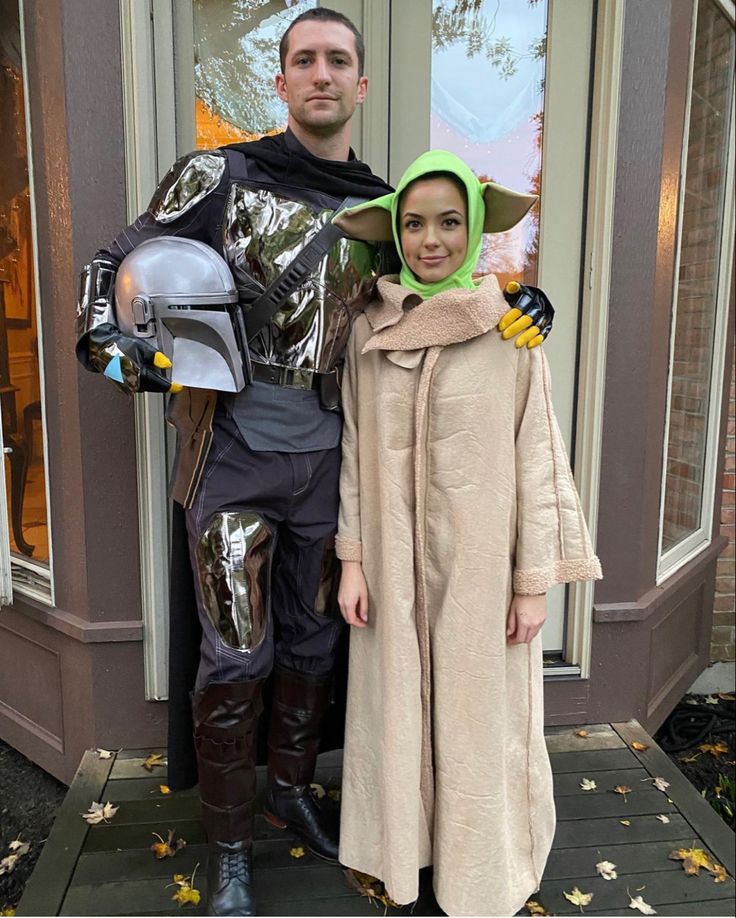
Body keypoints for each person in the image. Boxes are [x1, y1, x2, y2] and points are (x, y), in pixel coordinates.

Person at [74, 9, 554, 917]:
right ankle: (230, 850)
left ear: (361, 85)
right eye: (305, 60)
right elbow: (120, 258)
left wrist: (524, 299)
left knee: (314, 643)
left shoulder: (381, 208)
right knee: (235, 657)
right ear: (283, 81)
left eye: (339, 60)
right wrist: (111, 343)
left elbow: (436, 287)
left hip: (336, 468)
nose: (322, 74)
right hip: (236, 460)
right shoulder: (220, 173)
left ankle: (292, 793)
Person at [334, 150, 602, 917]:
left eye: (449, 222)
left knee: (478, 721)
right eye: (414, 223)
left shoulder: (510, 330)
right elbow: (356, 451)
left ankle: (481, 872)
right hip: (390, 566)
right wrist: (353, 560)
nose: (431, 239)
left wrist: (531, 581)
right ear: (394, 233)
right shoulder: (367, 332)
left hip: (481, 570)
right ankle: (405, 857)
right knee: (398, 712)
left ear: (476, 229)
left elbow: (538, 459)